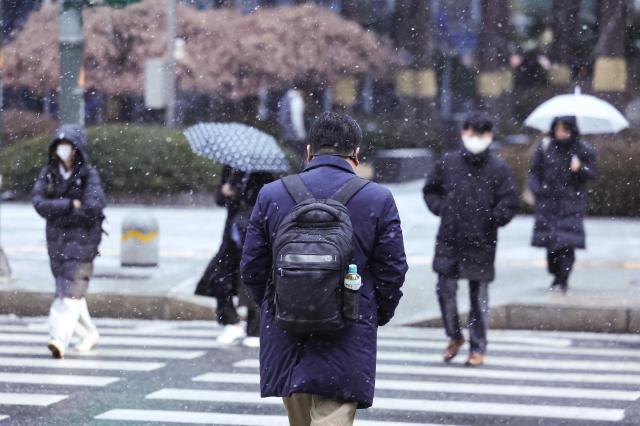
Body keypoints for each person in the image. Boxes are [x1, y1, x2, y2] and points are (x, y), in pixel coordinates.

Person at [241, 112, 407, 425]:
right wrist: (373, 312)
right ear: (356, 154)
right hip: (348, 328)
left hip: (288, 332)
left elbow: (251, 267)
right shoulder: (377, 199)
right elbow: (393, 270)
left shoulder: (272, 194)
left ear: (308, 151)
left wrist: (277, 306)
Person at [423, 113, 518, 367]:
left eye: (481, 134)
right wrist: (443, 209)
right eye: (471, 133)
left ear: (490, 136)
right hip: (450, 237)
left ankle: (478, 347)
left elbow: (509, 202)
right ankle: (454, 336)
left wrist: (492, 218)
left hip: (482, 239)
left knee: (478, 297)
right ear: (463, 133)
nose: (475, 139)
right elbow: (430, 190)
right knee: (445, 290)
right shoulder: (448, 163)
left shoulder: (498, 169)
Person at [32, 124, 106, 359]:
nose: (63, 150)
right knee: (68, 289)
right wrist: (68, 205)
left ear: (77, 149)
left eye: (68, 146)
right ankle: (89, 333)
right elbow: (39, 202)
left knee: (69, 292)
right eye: (60, 145)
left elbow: (93, 207)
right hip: (57, 241)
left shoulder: (88, 174)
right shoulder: (50, 172)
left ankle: (58, 338)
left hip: (83, 242)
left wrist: (65, 210)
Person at [195, 166, 274, 347]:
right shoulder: (232, 167)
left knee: (253, 280)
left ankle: (255, 330)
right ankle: (230, 322)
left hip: (254, 234)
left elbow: (266, 200)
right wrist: (225, 192)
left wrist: (238, 193)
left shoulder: (266, 171)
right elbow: (221, 199)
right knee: (218, 277)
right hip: (232, 234)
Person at [528, 116, 598, 294]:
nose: (561, 133)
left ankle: (564, 279)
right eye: (558, 129)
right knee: (551, 247)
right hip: (548, 204)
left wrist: (579, 168)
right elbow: (534, 172)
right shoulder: (545, 148)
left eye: (565, 129)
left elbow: (593, 174)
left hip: (571, 204)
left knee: (567, 245)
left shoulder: (583, 150)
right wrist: (539, 191)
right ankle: (556, 275)